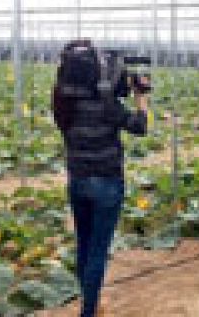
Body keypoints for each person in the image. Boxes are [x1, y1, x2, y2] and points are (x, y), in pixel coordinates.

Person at [52, 39, 148, 317]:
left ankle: (89, 303)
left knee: (83, 244)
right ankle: (89, 311)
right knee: (97, 252)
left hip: (78, 181)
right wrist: (141, 97)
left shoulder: (64, 105)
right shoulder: (108, 106)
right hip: (106, 183)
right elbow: (140, 126)